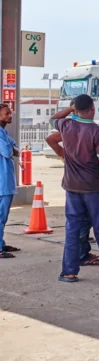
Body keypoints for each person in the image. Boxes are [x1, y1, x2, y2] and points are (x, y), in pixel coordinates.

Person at [46, 95, 99, 282]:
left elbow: (53, 119)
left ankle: (69, 272)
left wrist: (71, 109)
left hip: (72, 187)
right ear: (92, 109)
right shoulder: (98, 132)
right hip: (94, 188)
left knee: (72, 228)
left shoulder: (65, 125)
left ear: (76, 109)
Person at [0, 105, 19, 259]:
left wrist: (12, 149)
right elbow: (8, 151)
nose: (10, 115)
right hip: (2, 181)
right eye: (7, 113)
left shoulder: (4, 132)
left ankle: (1, 243)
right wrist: (12, 149)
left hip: (6, 180)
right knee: (1, 216)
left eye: (10, 113)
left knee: (3, 216)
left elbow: (17, 149)